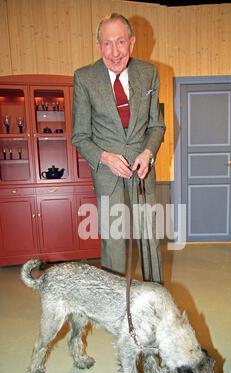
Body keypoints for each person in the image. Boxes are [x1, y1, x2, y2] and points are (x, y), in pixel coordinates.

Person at [72, 13, 165, 283]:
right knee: (112, 240)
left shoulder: (149, 73)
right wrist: (104, 157)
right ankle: (116, 309)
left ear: (132, 43)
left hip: (141, 170)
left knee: (149, 237)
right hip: (107, 172)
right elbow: (79, 136)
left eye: (121, 42)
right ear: (99, 45)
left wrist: (148, 153)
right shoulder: (84, 78)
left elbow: (156, 126)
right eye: (108, 44)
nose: (115, 52)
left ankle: (155, 297)